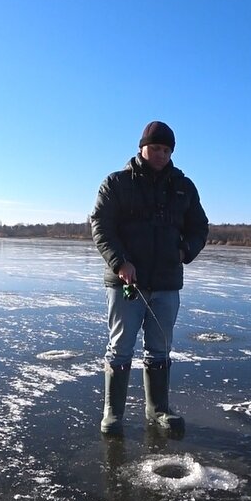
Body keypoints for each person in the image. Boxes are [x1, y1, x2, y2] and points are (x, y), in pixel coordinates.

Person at [89, 120, 209, 434]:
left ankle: (158, 410)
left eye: (166, 150)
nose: (160, 154)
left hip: (166, 284)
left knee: (160, 349)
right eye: (155, 148)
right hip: (126, 283)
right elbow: (101, 226)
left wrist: (184, 252)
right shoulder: (117, 183)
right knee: (120, 348)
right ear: (142, 147)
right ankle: (112, 415)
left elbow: (199, 228)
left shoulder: (183, 186)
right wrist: (120, 263)